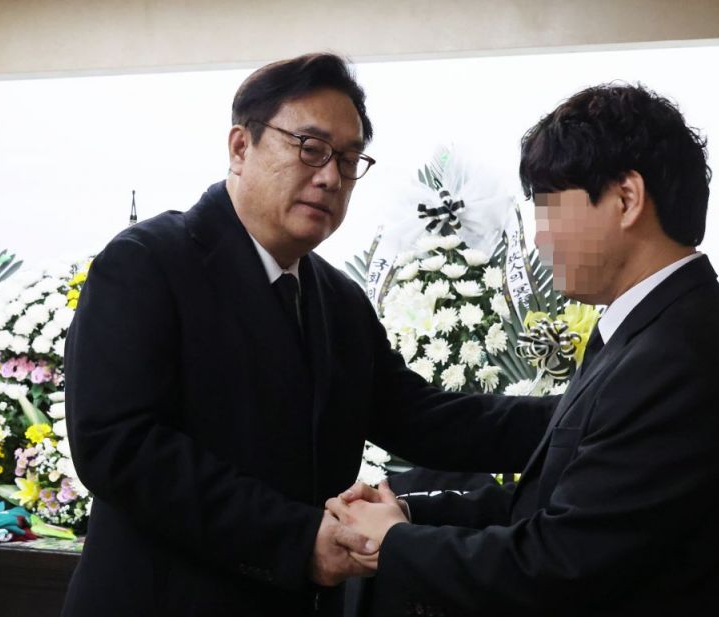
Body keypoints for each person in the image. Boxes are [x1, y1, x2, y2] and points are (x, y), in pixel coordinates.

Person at [62, 52, 552, 616]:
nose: (330, 177)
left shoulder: (336, 299)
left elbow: (423, 419)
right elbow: (120, 446)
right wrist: (295, 539)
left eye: (348, 160)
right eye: (310, 148)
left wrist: (589, 414)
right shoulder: (149, 262)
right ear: (240, 147)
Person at [330, 83, 719, 616]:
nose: (540, 239)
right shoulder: (654, 328)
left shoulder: (679, 358)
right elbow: (551, 502)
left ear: (626, 199)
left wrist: (394, 543)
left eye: (549, 209)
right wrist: (409, 514)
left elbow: (560, 565)